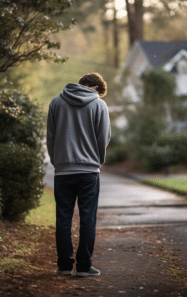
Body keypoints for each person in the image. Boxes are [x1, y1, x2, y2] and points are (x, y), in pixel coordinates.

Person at [46, 73, 111, 277]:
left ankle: (64, 266)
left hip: (63, 170)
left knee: (63, 218)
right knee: (87, 218)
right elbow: (103, 138)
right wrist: (97, 160)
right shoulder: (99, 105)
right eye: (99, 92)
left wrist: (57, 161)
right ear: (95, 87)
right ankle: (84, 267)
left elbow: (51, 137)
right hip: (89, 171)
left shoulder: (56, 102)